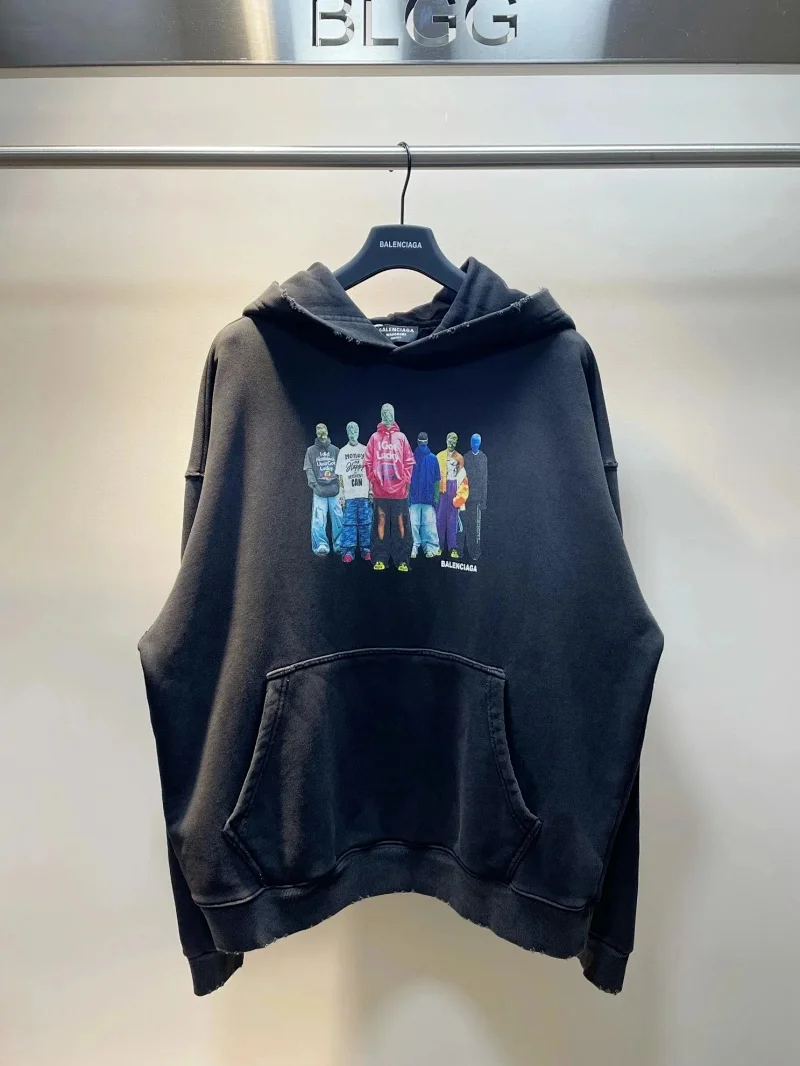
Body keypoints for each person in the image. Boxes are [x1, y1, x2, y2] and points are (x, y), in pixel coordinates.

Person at [363, 403, 415, 571]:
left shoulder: (402, 437)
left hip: (399, 493)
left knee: (401, 527)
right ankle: (380, 559)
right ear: (380, 415)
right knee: (380, 526)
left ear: (394, 415)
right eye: (384, 413)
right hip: (380, 493)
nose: (387, 415)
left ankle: (402, 560)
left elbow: (409, 461)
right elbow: (367, 461)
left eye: (390, 412)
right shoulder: (374, 438)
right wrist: (374, 479)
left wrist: (405, 481)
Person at [335, 421, 372, 563]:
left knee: (366, 523)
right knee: (349, 524)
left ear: (359, 432)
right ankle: (348, 552)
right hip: (349, 495)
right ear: (346, 433)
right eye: (350, 431)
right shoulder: (343, 451)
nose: (353, 434)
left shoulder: (365, 450)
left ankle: (367, 550)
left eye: (355, 431)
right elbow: (340, 475)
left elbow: (370, 472)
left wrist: (371, 491)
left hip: (363, 493)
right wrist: (342, 494)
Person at [303, 423, 342, 556]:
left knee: (338, 516)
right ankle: (321, 544)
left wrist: (340, 487)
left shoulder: (335, 450)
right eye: (318, 430)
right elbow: (308, 468)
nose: (321, 433)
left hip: (335, 490)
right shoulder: (310, 451)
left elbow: (341, 470)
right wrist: (314, 485)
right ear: (316, 433)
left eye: (323, 430)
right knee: (319, 518)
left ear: (327, 431)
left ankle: (339, 543)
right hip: (319, 490)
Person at [436, 431, 469, 558]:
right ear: (446, 440)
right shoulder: (439, 456)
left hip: (453, 487)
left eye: (455, 440)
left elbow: (462, 477)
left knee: (452, 519)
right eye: (450, 440)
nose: (452, 442)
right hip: (441, 489)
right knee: (440, 519)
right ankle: (439, 546)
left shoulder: (459, 458)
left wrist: (460, 496)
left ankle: (453, 547)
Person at [408, 431, 441, 559]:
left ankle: (431, 547)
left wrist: (436, 497)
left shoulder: (433, 459)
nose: (422, 444)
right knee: (413, 525)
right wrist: (407, 495)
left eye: (424, 442)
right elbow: (407, 479)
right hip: (414, 497)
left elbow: (437, 480)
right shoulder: (411, 458)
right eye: (421, 442)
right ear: (417, 442)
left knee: (429, 525)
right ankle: (412, 547)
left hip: (427, 498)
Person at [462, 432, 488, 560]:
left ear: (480, 443)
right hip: (465, 497)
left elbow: (484, 479)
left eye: (477, 442)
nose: (474, 444)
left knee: (475, 527)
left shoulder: (483, 458)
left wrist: (483, 500)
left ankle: (475, 552)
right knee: (465, 525)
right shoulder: (466, 457)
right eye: (473, 441)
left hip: (477, 499)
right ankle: (465, 549)